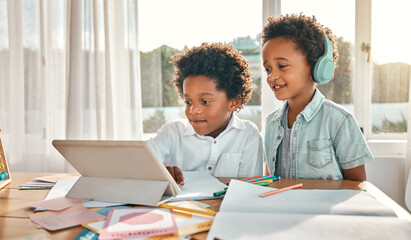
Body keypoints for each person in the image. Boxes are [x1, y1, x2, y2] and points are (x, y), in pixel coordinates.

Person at [261, 14, 372, 181]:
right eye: (268, 69)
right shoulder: (271, 124)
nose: (272, 77)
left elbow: (358, 186)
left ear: (317, 67)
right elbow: (269, 180)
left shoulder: (340, 121)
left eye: (282, 66)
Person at [148, 43, 264, 185]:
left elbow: (250, 187)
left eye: (205, 101)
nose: (193, 110)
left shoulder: (248, 135)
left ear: (233, 102)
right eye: (188, 102)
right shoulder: (172, 133)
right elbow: (139, 162)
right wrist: (159, 173)